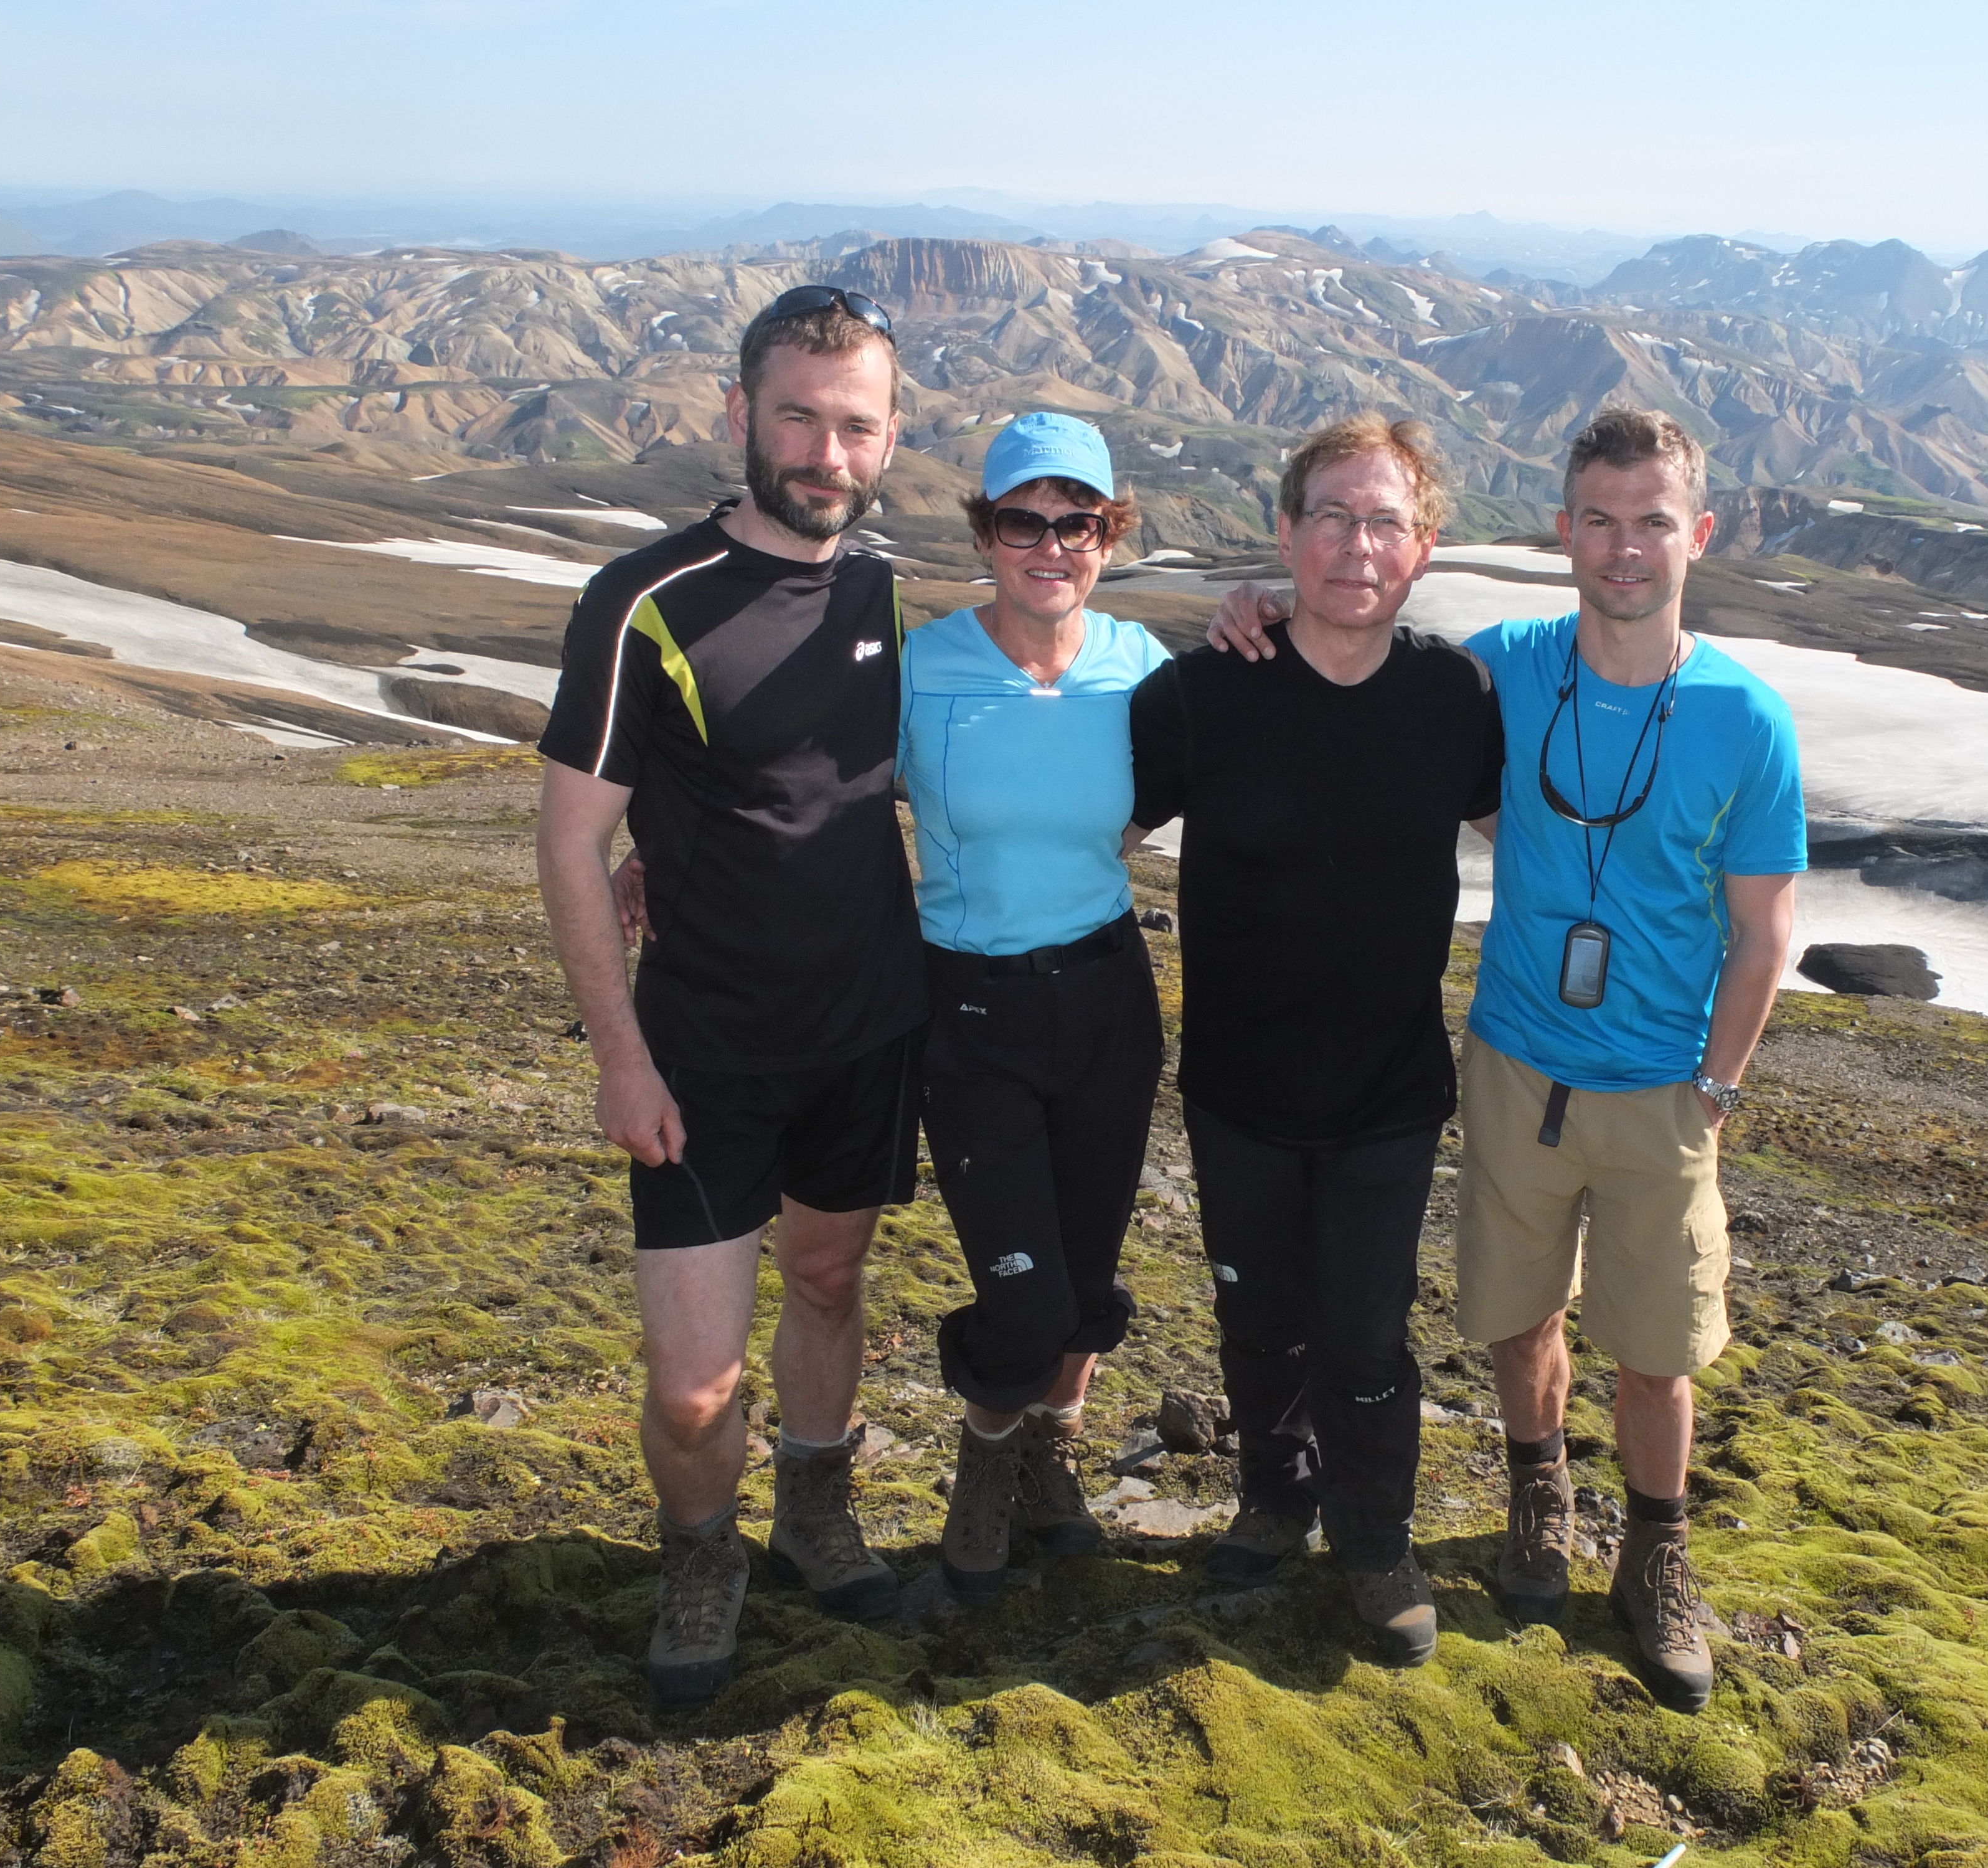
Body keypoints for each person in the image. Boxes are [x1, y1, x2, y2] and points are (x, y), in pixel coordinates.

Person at [1208, 407, 1803, 1716]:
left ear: (1694, 534)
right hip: (1515, 1068)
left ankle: (1655, 1558)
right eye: (1597, 518)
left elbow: (1763, 932)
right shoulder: (1500, 673)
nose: (1622, 547)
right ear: (1563, 531)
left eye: (1650, 520)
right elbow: (1354, 651)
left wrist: (1714, 1089)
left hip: (1660, 1088)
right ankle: (1540, 1497)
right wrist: (1248, 613)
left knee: (1655, 1348)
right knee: (1518, 1311)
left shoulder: (1744, 719)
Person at [535, 285, 922, 1704]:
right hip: (702, 1056)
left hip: (871, 1029)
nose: (827, 452)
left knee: (831, 1279)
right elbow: (571, 837)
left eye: (855, 425)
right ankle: (700, 1553)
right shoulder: (644, 600)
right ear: (739, 418)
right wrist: (620, 1060)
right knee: (694, 1384)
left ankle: (815, 1510)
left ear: (889, 437)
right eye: (799, 419)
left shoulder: (882, 588)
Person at [1128, 413, 1504, 1668]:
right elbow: (1083, 831)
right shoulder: (1200, 693)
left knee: (1361, 1330)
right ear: (1286, 535)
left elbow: (1539, 841)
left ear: (1424, 545)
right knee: (1256, 1321)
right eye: (1331, 517)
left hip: (1387, 1096)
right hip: (1237, 1086)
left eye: (1384, 520)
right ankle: (1274, 1497)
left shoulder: (1454, 698)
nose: (1356, 544)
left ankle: (1374, 1536)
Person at [900, 413, 1171, 1597]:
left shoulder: (1142, 663)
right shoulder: (922, 670)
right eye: (1024, 521)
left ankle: (1048, 1461)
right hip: (967, 1010)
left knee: (1088, 1268)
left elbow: (1191, 776)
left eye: (1079, 523)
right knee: (1027, 1290)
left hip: (1109, 997)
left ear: (1109, 536)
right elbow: (804, 788)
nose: (1050, 545)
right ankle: (984, 1457)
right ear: (986, 532)